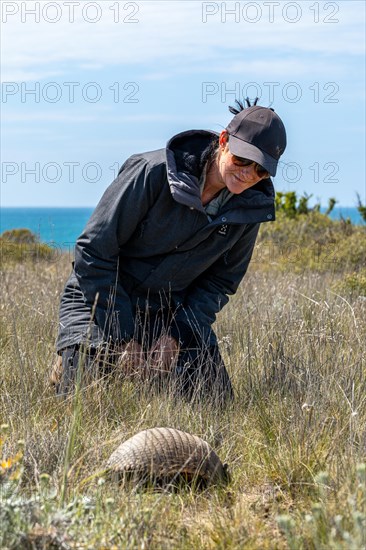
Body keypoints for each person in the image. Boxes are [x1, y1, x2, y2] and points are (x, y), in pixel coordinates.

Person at [52, 98, 287, 404]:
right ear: (224, 141)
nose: (248, 175)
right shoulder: (151, 172)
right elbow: (93, 250)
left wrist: (176, 335)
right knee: (78, 406)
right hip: (97, 302)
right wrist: (122, 335)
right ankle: (72, 356)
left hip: (168, 314)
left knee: (218, 407)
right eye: (243, 160)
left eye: (261, 171)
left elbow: (220, 283)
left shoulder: (249, 208)